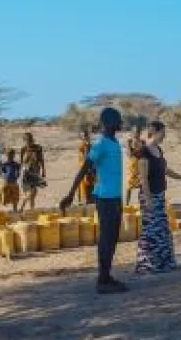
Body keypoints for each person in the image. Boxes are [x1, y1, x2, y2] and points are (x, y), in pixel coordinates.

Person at [62, 107, 126, 294]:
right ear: (108, 123)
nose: (121, 122)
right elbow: (84, 169)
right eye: (118, 120)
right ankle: (102, 281)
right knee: (106, 239)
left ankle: (106, 276)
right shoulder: (101, 145)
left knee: (112, 238)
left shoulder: (114, 142)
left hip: (115, 197)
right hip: (105, 198)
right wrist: (71, 194)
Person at [134, 121, 181, 274]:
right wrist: (148, 200)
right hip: (149, 196)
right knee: (151, 231)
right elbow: (143, 179)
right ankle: (146, 265)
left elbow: (165, 169)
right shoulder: (144, 152)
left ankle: (162, 263)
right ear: (155, 131)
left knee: (161, 230)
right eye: (163, 133)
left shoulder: (158, 150)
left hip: (159, 195)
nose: (165, 136)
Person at [20, 132, 47, 211]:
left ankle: (30, 209)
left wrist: (43, 170)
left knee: (33, 194)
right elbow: (21, 162)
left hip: (35, 172)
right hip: (27, 173)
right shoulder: (23, 149)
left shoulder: (38, 148)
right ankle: (24, 207)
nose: (29, 142)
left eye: (30, 140)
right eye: (27, 140)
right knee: (32, 192)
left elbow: (41, 159)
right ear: (25, 141)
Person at [75, 128, 97, 206]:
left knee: (92, 189)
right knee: (84, 191)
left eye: (87, 136)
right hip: (84, 172)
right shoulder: (81, 147)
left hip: (91, 171)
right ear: (82, 138)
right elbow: (85, 158)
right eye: (84, 136)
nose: (86, 138)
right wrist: (87, 146)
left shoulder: (92, 146)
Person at [124, 126, 145, 201]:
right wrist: (138, 150)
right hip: (132, 165)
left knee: (142, 185)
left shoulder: (143, 142)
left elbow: (144, 154)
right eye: (136, 132)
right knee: (129, 186)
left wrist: (136, 151)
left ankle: (141, 203)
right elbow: (129, 154)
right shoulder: (129, 141)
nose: (137, 134)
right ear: (132, 133)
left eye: (139, 132)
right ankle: (126, 204)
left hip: (141, 165)